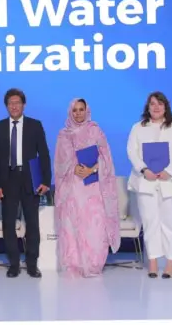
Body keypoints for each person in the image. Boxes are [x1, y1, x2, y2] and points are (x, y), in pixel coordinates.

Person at [0, 88, 51, 278]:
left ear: (24, 105)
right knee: (8, 224)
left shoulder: (35, 125)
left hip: (30, 180)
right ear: (6, 106)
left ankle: (32, 264)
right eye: (10, 103)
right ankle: (13, 264)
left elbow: (44, 154)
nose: (14, 106)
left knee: (32, 224)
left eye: (17, 103)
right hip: (7, 180)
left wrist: (46, 180)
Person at [54, 98, 120, 277]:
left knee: (95, 227)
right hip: (72, 188)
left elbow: (106, 158)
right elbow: (59, 163)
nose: (78, 113)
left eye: (81, 109)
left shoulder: (95, 130)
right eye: (74, 110)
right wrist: (73, 168)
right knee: (73, 226)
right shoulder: (64, 134)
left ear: (87, 111)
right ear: (70, 112)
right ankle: (75, 265)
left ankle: (93, 264)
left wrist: (92, 169)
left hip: (93, 187)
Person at [127, 91, 172, 279]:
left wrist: (169, 171)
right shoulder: (138, 128)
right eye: (152, 104)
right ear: (147, 107)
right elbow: (132, 151)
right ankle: (152, 262)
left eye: (160, 104)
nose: (156, 107)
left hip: (170, 182)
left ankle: (171, 263)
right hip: (146, 181)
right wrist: (144, 169)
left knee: (171, 224)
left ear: (165, 107)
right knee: (150, 223)